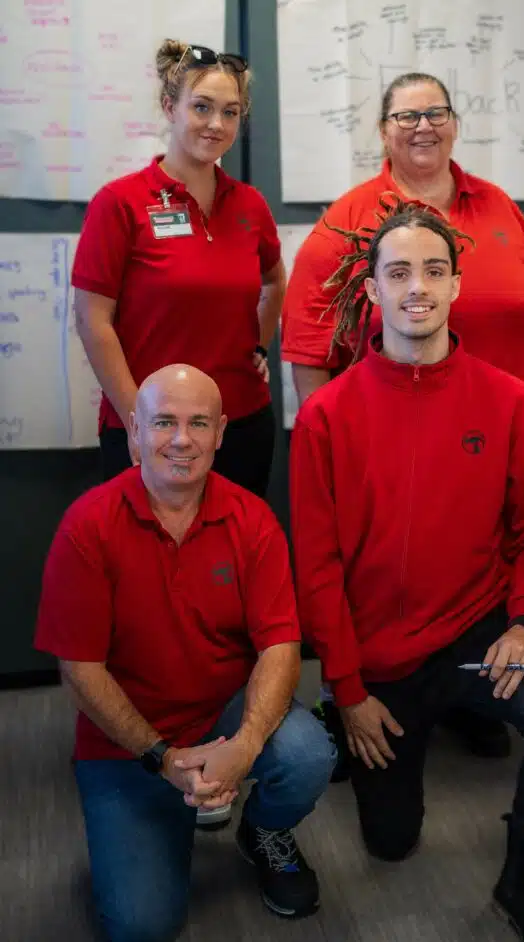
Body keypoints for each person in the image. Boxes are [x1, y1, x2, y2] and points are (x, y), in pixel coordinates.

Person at [289, 204, 524, 942]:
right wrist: (348, 691)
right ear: (374, 290)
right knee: (391, 844)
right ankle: (372, 734)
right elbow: (317, 567)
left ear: (456, 285)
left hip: (476, 635)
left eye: (432, 270)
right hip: (379, 659)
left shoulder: (514, 404)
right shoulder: (327, 417)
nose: (416, 287)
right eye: (398, 272)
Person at [282, 71, 524, 766]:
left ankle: (465, 695)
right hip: (399, 451)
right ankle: (374, 693)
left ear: (455, 123)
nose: (422, 126)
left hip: (503, 444)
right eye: (405, 116)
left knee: (494, 572)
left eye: (436, 112)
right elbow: (309, 353)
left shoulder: (499, 208)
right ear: (382, 131)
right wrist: (341, 440)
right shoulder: (348, 221)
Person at [34, 365, 335, 942]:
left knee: (307, 753)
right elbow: (79, 671)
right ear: (133, 432)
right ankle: (168, 810)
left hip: (221, 712)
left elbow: (280, 644)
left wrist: (246, 747)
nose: (181, 439)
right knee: (144, 925)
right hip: (127, 744)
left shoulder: (253, 520)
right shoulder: (87, 526)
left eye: (199, 423)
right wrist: (161, 758)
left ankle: (262, 830)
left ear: (221, 432)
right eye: (164, 422)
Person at [74, 40, 284, 499]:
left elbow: (273, 279)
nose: (216, 124)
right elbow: (93, 320)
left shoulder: (250, 205)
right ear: (170, 107)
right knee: (145, 564)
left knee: (234, 562)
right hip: (151, 427)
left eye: (230, 112)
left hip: (240, 423)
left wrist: (257, 344)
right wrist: (138, 421)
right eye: (202, 107)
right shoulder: (120, 203)